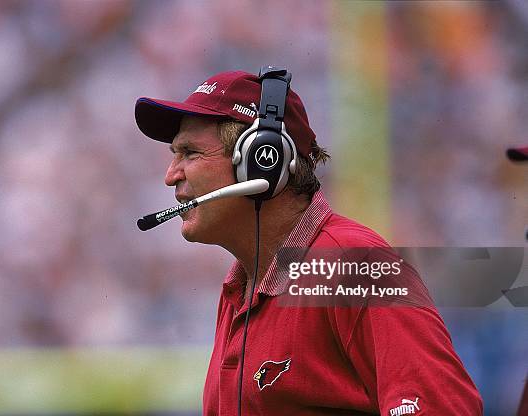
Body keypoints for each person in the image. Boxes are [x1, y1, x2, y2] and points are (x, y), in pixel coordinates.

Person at [135, 69, 483, 415]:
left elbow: (445, 407)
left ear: (262, 161)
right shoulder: (239, 288)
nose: (171, 175)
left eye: (190, 153)